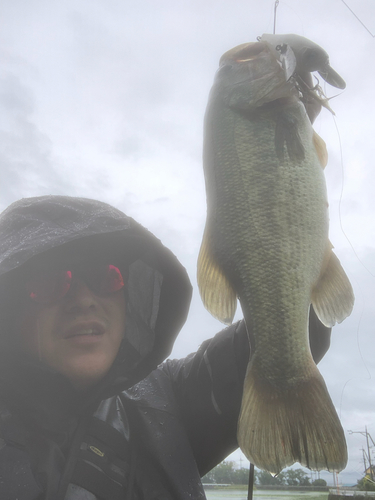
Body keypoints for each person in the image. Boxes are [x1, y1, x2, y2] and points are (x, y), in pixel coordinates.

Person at [0, 195, 331, 500]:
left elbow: (296, 330)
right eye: (50, 282)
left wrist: (287, 221)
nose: (84, 300)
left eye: (106, 277)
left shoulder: (167, 398)